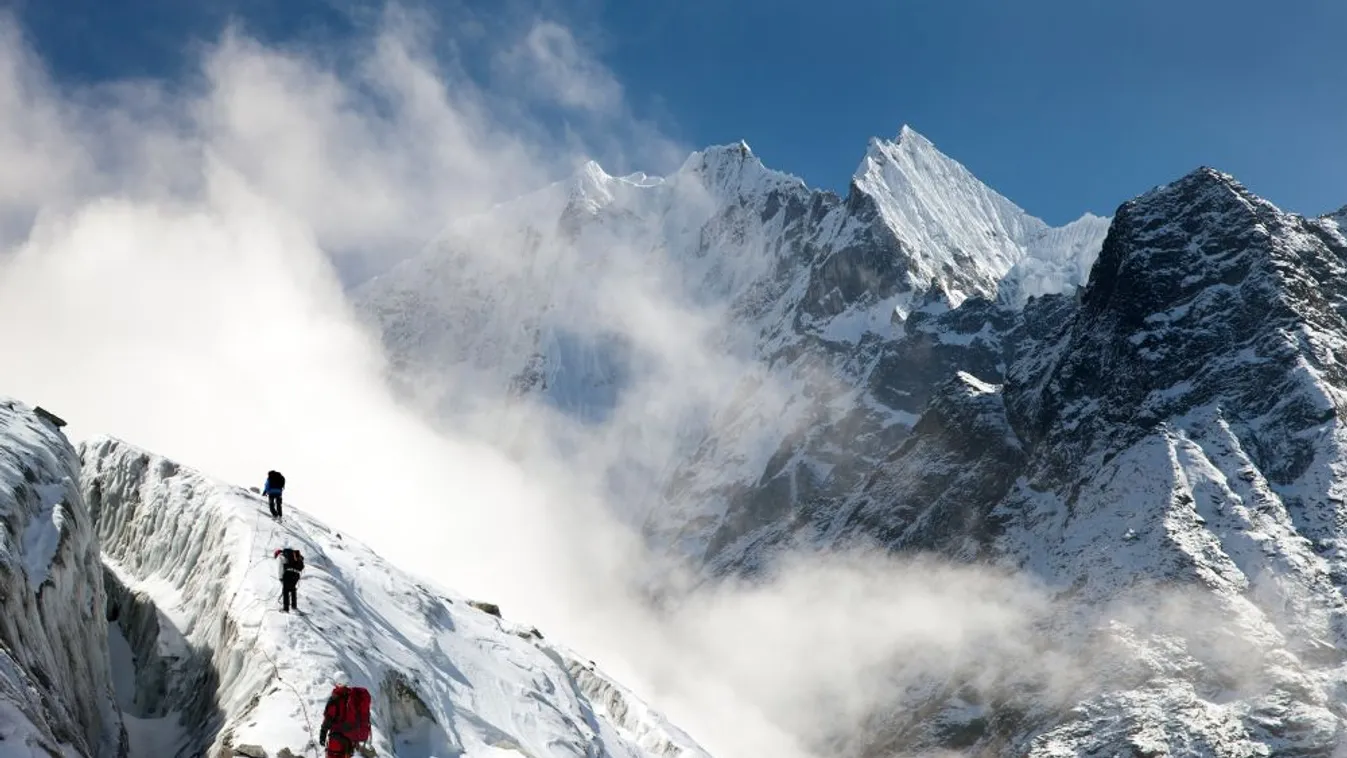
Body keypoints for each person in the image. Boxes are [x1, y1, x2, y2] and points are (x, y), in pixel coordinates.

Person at [318, 684, 371, 758]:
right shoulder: (351, 697)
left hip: (336, 739)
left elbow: (328, 719)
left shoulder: (335, 699)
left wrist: (323, 734)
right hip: (349, 740)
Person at [273, 546, 305, 613]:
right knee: (293, 589)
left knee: (285, 591)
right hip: (296, 574)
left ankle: (286, 609)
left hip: (288, 574)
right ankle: (294, 607)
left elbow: (280, 567)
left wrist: (280, 577)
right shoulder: (292, 556)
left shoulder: (280, 556)